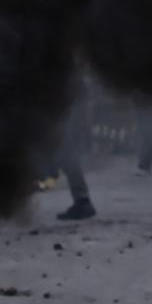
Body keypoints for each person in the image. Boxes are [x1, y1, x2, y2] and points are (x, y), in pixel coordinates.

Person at [57, 74, 96, 220]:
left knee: (66, 154)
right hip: (67, 104)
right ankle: (82, 200)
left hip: (67, 106)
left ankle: (83, 201)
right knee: (65, 154)